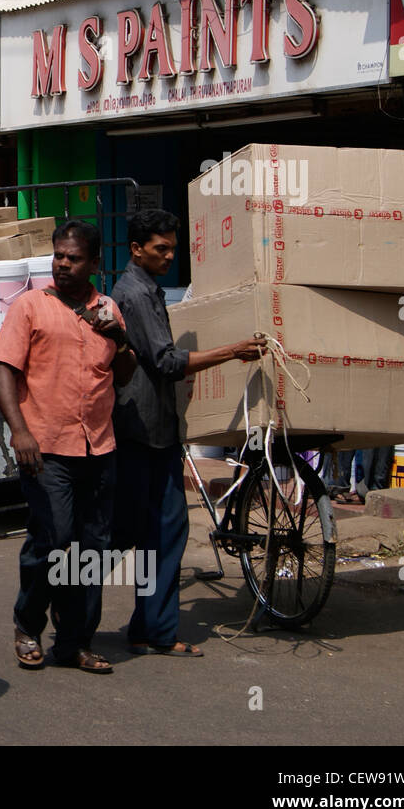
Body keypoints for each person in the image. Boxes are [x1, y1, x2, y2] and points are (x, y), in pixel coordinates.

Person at [111, 209, 265, 659]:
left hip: (154, 429)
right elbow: (166, 362)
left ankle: (149, 629)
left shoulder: (145, 290)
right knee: (136, 533)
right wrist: (233, 351)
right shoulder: (136, 295)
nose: (169, 255)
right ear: (137, 249)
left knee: (156, 531)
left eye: (173, 248)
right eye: (161, 248)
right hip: (141, 430)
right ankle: (69, 601)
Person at [0, 219, 137, 675]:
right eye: (59, 256)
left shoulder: (109, 309)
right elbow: (2, 371)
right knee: (54, 541)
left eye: (74, 258)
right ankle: (28, 625)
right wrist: (19, 431)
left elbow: (125, 373)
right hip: (45, 447)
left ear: (95, 263)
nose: (64, 265)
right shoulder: (30, 306)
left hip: (99, 447)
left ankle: (75, 641)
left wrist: (119, 339)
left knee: (92, 549)